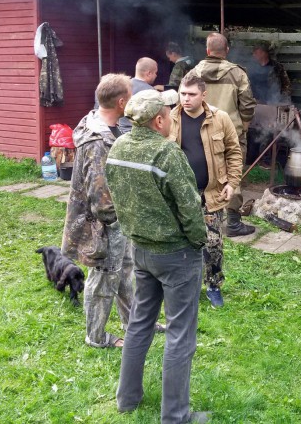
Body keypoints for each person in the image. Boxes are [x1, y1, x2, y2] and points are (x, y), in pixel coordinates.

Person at [106, 89, 210, 424]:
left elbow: (116, 196)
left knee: (139, 323)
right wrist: (199, 242)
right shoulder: (167, 152)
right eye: (168, 115)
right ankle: (176, 416)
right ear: (159, 120)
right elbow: (190, 207)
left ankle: (127, 399)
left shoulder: (118, 147)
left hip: (140, 250)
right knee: (180, 334)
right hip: (176, 255)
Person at [61, 73, 134, 348]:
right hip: (105, 224)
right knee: (103, 278)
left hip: (120, 220)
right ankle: (96, 336)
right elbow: (99, 192)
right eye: (130, 96)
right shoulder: (97, 141)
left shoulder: (111, 127)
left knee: (125, 272)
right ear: (121, 102)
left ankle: (135, 322)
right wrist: (114, 220)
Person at [169, 73, 243, 308]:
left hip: (211, 193)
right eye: (183, 93)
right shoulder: (170, 119)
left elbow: (234, 152)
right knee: (179, 240)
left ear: (203, 95)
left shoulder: (220, 119)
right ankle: (183, 285)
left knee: (213, 243)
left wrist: (232, 183)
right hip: (179, 194)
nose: (186, 98)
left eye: (191, 94)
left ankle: (213, 285)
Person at [189, 32, 256, 237]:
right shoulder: (238, 74)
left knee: (199, 172)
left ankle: (199, 218)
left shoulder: (192, 74)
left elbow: (184, 103)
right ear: (226, 51)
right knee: (232, 174)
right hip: (230, 133)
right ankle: (233, 223)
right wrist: (243, 127)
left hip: (198, 132)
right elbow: (247, 105)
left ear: (207, 50)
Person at [118, 57, 164, 132]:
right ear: (149, 73)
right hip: (139, 134)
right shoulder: (151, 92)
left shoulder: (123, 86)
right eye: (155, 73)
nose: (156, 75)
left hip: (121, 130)